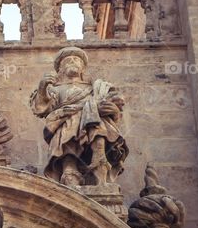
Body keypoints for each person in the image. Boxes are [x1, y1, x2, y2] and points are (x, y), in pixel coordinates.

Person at [30, 47, 127, 187]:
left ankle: (99, 161)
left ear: (83, 68)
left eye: (76, 60)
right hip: (65, 123)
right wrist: (42, 88)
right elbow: (41, 109)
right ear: (60, 69)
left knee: (93, 114)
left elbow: (115, 102)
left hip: (93, 124)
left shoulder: (95, 87)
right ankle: (69, 171)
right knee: (73, 123)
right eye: (68, 60)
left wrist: (112, 111)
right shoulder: (55, 89)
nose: (72, 62)